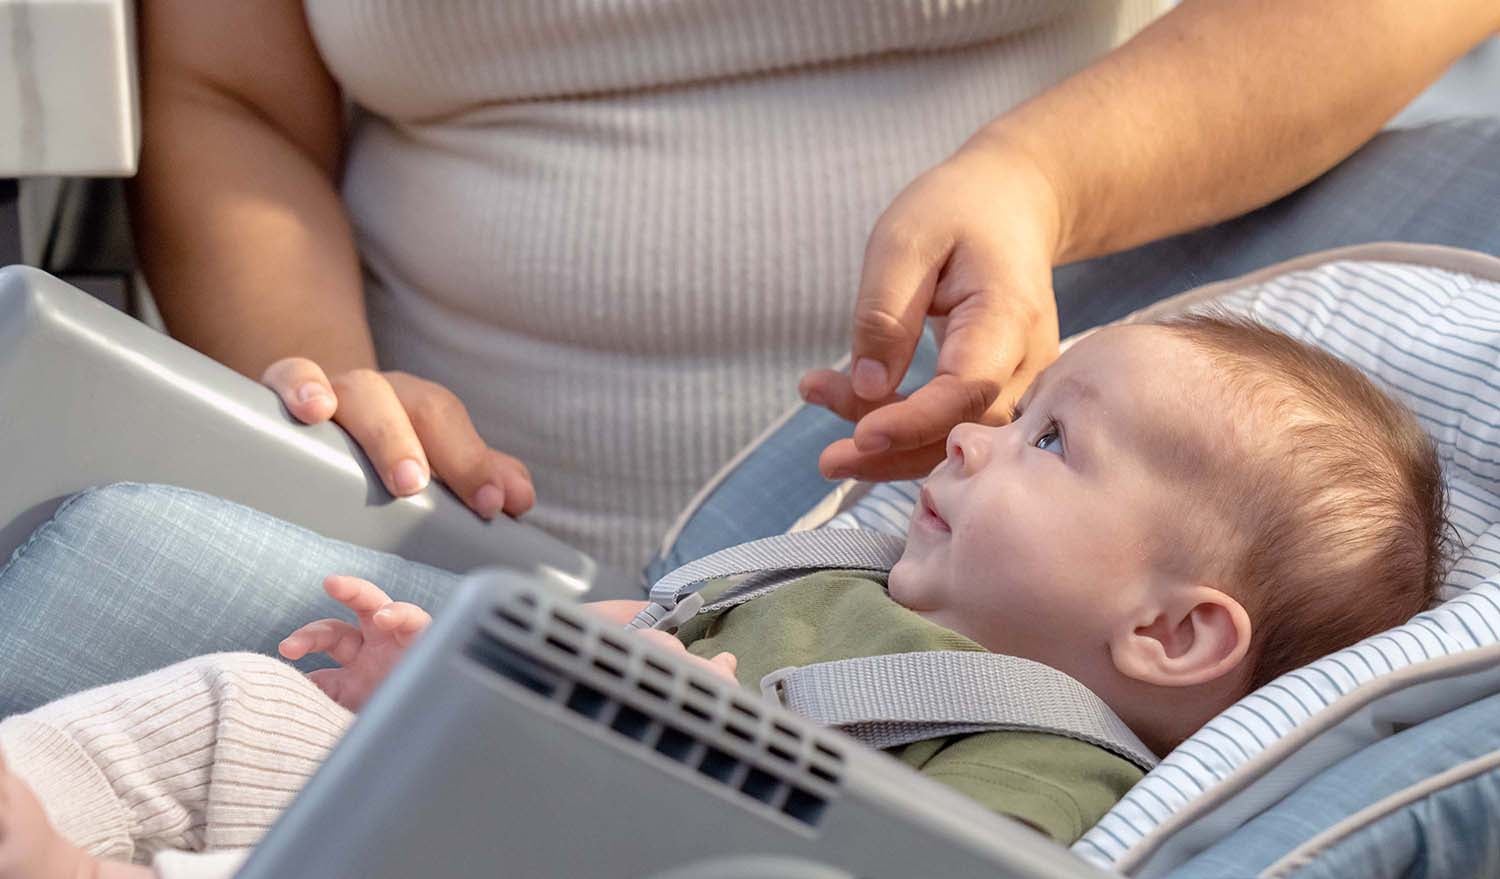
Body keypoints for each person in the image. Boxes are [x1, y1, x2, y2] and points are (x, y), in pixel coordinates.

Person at [0, 314, 1447, 879]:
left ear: (1171, 631)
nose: (971, 434)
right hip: (473, 800)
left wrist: (707, 774)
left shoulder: (1052, 763)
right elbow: (610, 672)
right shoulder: (841, 586)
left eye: (1052, 443)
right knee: (240, 702)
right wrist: (455, 677)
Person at [132, 0, 1499, 572]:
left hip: (1015, 630)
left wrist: (1042, 181)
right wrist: (325, 398)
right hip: (430, 579)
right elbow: (228, 95)